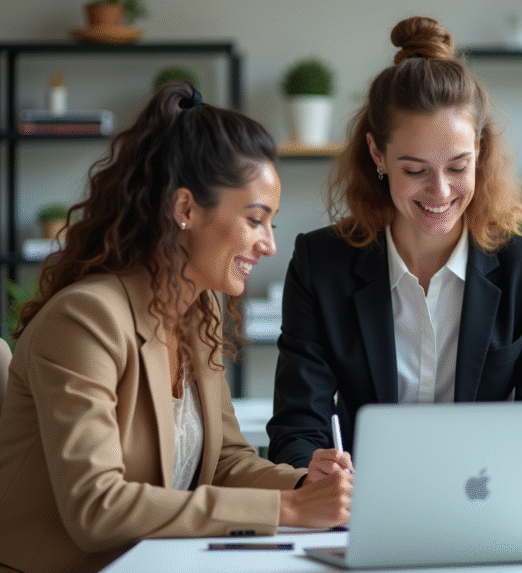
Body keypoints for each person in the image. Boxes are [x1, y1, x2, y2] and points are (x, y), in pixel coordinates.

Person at [0, 83, 353, 573]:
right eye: (255, 220)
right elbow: (95, 508)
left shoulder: (197, 310)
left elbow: (226, 461)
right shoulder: (86, 320)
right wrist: (287, 511)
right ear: (185, 209)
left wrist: (301, 487)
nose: (269, 245)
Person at [267, 16, 522, 468]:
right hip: (362, 506)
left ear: (481, 151)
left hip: (486, 505)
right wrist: (315, 475)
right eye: (415, 170)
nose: (440, 192)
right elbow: (297, 428)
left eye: (457, 167)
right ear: (377, 154)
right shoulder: (321, 265)